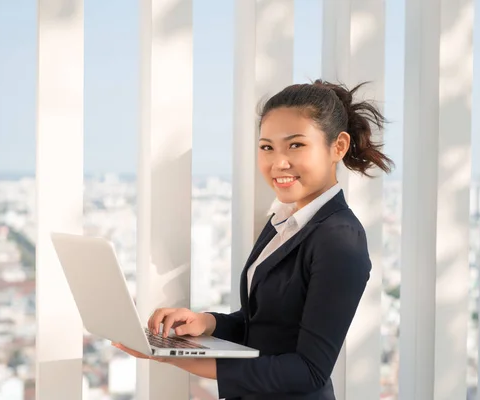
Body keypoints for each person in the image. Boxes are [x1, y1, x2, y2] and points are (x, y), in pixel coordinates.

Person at [114, 80, 393, 399]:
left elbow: (310, 371)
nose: (278, 162)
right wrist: (206, 323)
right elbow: (269, 325)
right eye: (267, 147)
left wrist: (179, 359)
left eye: (296, 145)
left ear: (338, 147)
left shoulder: (340, 238)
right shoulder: (286, 221)